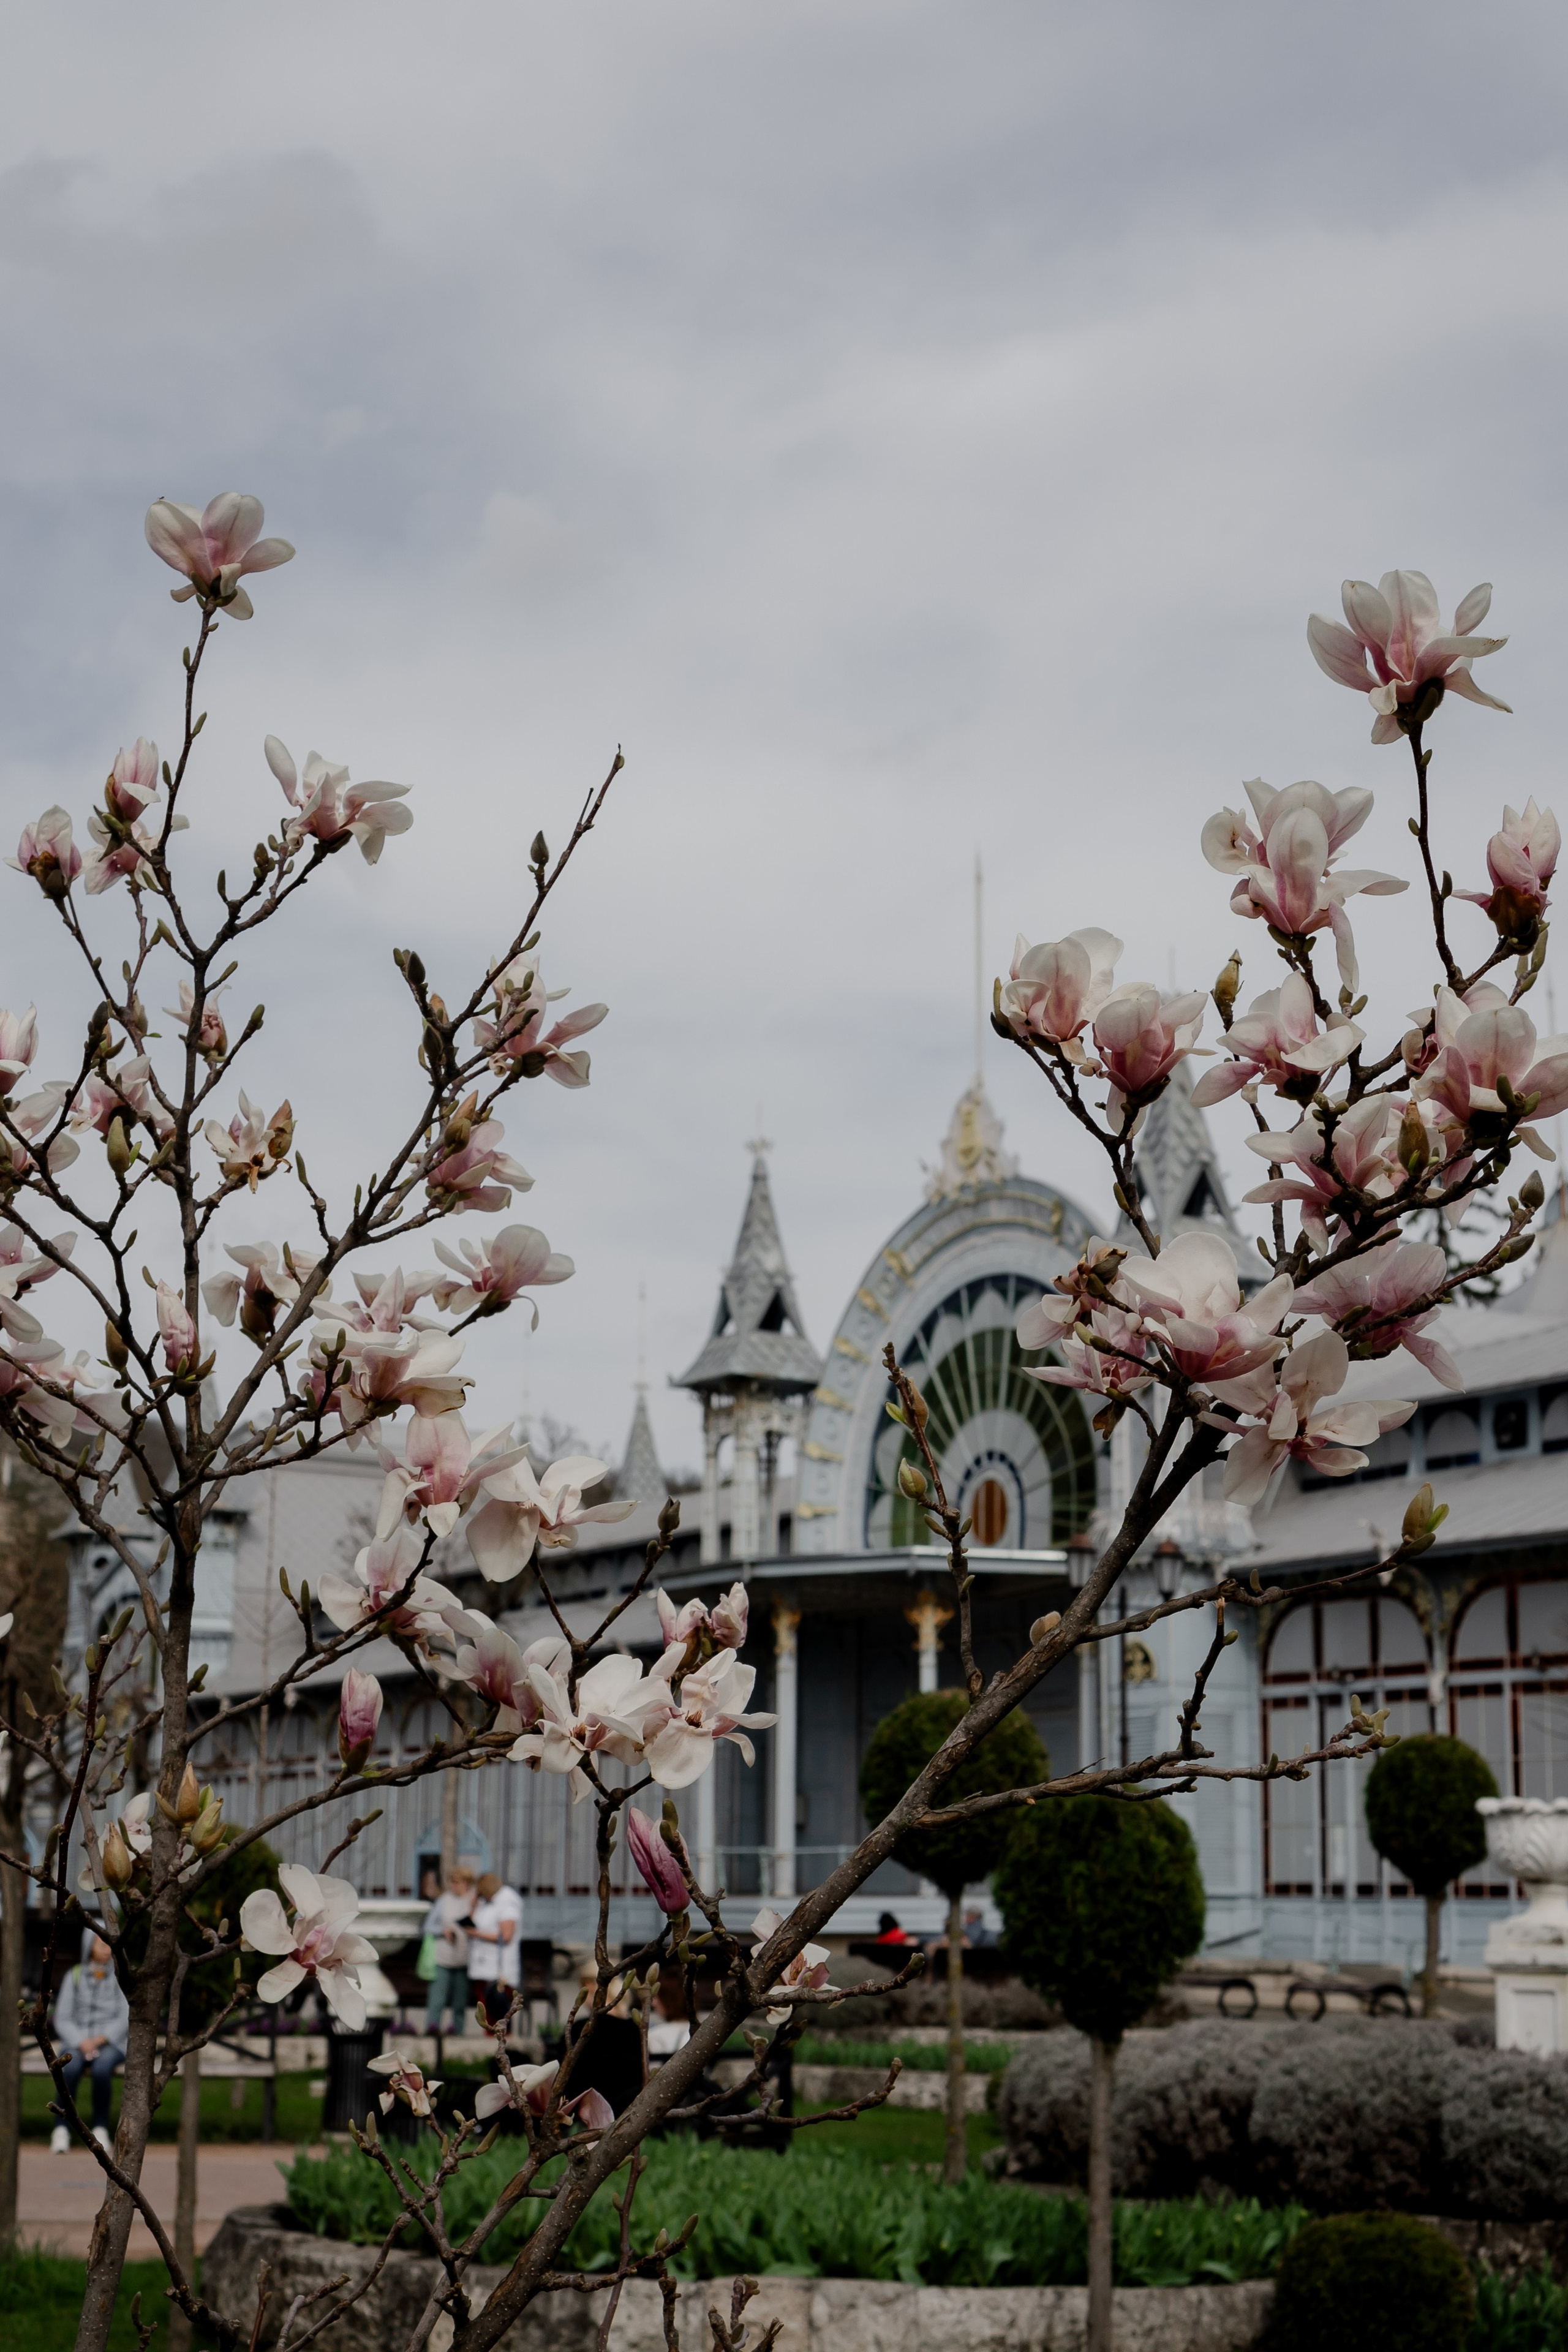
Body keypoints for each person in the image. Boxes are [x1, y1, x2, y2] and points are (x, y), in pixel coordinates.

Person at [51, 1927, 130, 2152]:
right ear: (89, 1947)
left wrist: (101, 2039)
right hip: (77, 2044)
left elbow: (124, 2015)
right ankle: (61, 2129)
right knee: (70, 2068)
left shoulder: (118, 1977)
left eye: (109, 1944)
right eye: (101, 1944)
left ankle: (101, 2127)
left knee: (102, 2069)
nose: (106, 1950)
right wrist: (81, 2041)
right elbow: (63, 2018)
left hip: (109, 2044)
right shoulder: (74, 1976)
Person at [424, 1864, 475, 2036]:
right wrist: (443, 1931)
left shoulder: (474, 1901)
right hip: (443, 1959)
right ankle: (432, 2030)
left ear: (467, 1883)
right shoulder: (444, 1901)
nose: (454, 1886)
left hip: (463, 1960)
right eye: (452, 1882)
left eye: (458, 1882)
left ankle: (458, 2034)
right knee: (437, 2000)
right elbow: (428, 1926)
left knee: (460, 2003)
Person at [467, 1871, 522, 2031]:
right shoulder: (486, 1903)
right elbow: (473, 1923)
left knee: (499, 2011)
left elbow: (506, 1936)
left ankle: (502, 2043)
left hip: (498, 1969)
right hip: (483, 1966)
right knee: (486, 2012)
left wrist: (477, 1934)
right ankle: (490, 2043)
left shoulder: (508, 1903)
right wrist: (473, 1906)